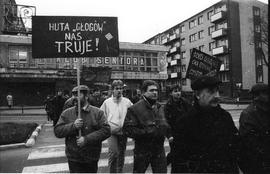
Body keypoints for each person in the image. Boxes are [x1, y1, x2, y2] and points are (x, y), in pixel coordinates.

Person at [171, 76, 240, 173]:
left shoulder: (225, 117)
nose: (217, 96)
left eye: (217, 91)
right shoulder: (185, 122)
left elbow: (234, 148)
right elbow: (179, 161)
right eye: (211, 91)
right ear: (197, 94)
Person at [54, 85, 111, 173]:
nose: (74, 98)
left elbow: (106, 131)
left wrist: (86, 139)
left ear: (86, 96)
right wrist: (73, 126)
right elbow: (58, 131)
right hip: (74, 157)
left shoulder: (97, 113)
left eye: (77, 95)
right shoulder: (67, 113)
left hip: (91, 156)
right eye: (73, 95)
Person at [123, 80, 169, 173]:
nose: (155, 92)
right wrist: (147, 132)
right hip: (143, 149)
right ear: (144, 92)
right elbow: (128, 130)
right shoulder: (134, 109)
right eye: (151, 90)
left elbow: (165, 124)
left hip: (159, 149)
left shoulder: (159, 107)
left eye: (156, 90)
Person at [100, 80, 133, 173]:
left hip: (123, 132)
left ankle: (119, 172)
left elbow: (133, 114)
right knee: (114, 153)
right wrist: (106, 126)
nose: (119, 90)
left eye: (121, 88)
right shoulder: (107, 102)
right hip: (112, 132)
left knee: (121, 154)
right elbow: (101, 115)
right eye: (117, 88)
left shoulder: (127, 102)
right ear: (112, 90)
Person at [239, 83, 270, 173]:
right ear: (257, 96)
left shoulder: (265, 110)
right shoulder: (249, 114)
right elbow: (251, 144)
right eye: (267, 93)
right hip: (257, 165)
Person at [164, 84, 191, 166]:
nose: (178, 93)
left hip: (186, 133)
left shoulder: (185, 103)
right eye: (175, 91)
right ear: (171, 93)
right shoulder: (168, 106)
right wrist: (169, 135)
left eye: (179, 91)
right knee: (175, 153)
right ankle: (165, 164)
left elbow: (191, 115)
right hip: (174, 134)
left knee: (185, 153)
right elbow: (166, 122)